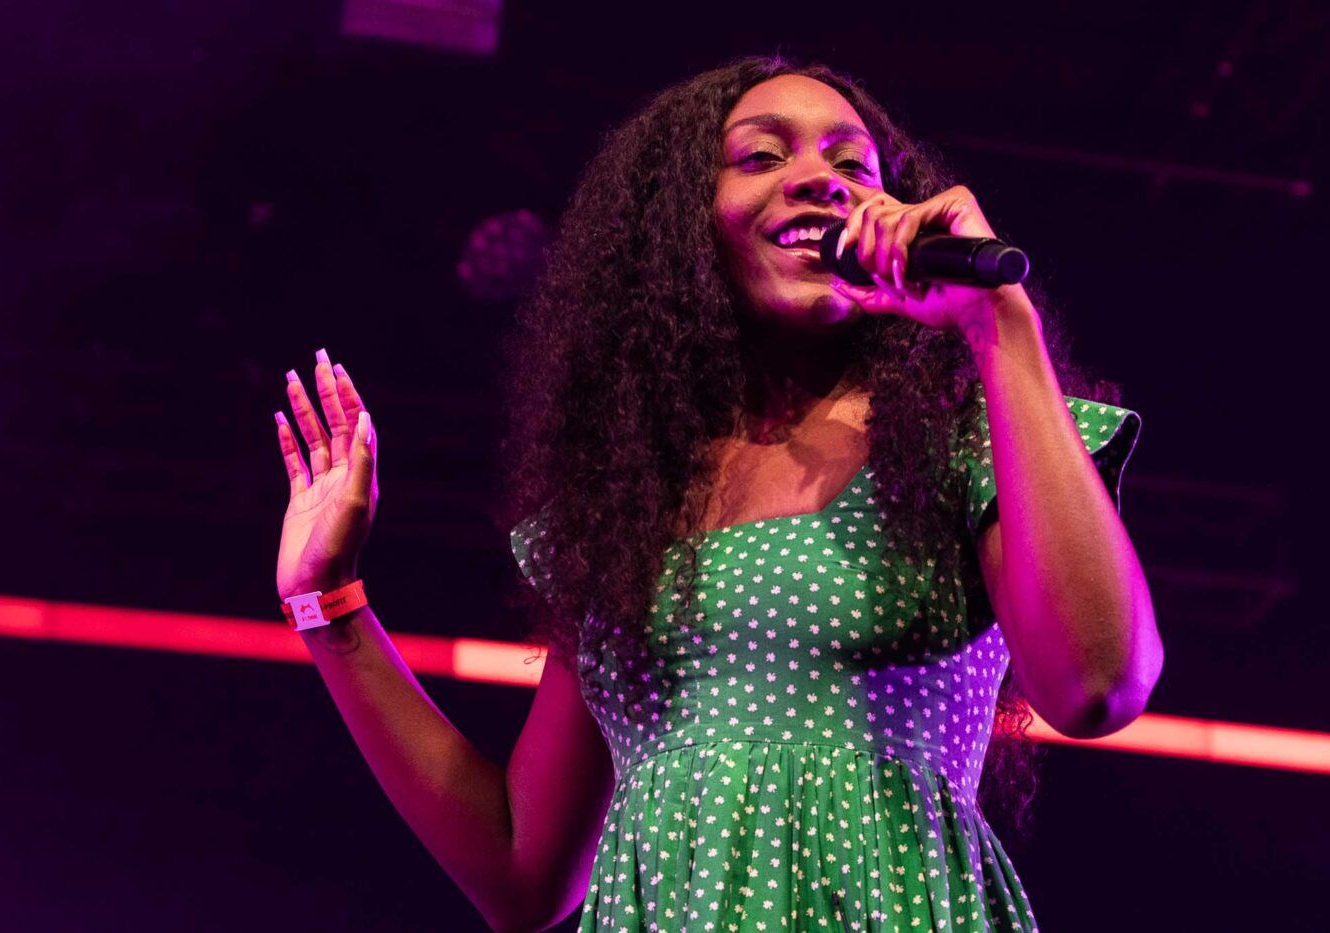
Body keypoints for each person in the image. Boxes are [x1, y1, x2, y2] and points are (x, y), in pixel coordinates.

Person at [273, 56, 1162, 932]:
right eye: (762, 157)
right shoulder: (627, 509)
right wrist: (330, 604)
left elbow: (1098, 683)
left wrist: (997, 324)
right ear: (682, 228)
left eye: (853, 164)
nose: (820, 179)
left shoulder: (961, 436)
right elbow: (523, 873)